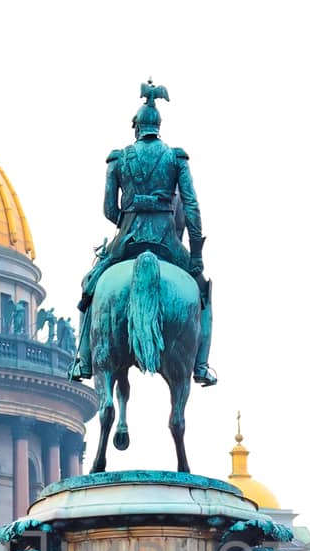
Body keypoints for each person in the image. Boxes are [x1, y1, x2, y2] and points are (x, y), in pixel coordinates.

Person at [72, 82, 215, 387]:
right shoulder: (177, 159)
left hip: (127, 239)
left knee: (89, 289)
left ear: (135, 127)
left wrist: (129, 215)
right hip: (168, 241)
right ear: (158, 127)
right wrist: (197, 254)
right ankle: (201, 365)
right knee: (202, 295)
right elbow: (191, 207)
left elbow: (109, 209)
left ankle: (83, 360)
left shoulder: (119, 159)